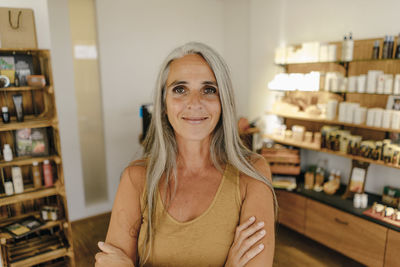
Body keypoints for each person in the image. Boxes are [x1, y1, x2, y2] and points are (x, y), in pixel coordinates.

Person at [95, 42, 277, 267]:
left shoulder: (252, 172)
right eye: (180, 89)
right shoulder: (136, 177)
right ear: (163, 103)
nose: (194, 103)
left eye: (209, 89)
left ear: (223, 102)